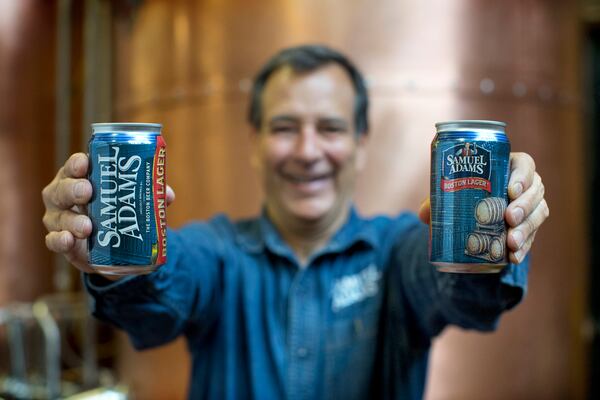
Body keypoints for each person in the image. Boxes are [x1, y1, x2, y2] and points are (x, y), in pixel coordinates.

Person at [42, 45, 549, 399]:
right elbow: (154, 301)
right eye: (285, 128)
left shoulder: (398, 249)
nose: (308, 152)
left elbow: (467, 298)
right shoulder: (217, 252)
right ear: (255, 144)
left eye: (330, 127)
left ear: (361, 144)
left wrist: (499, 231)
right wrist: (109, 258)